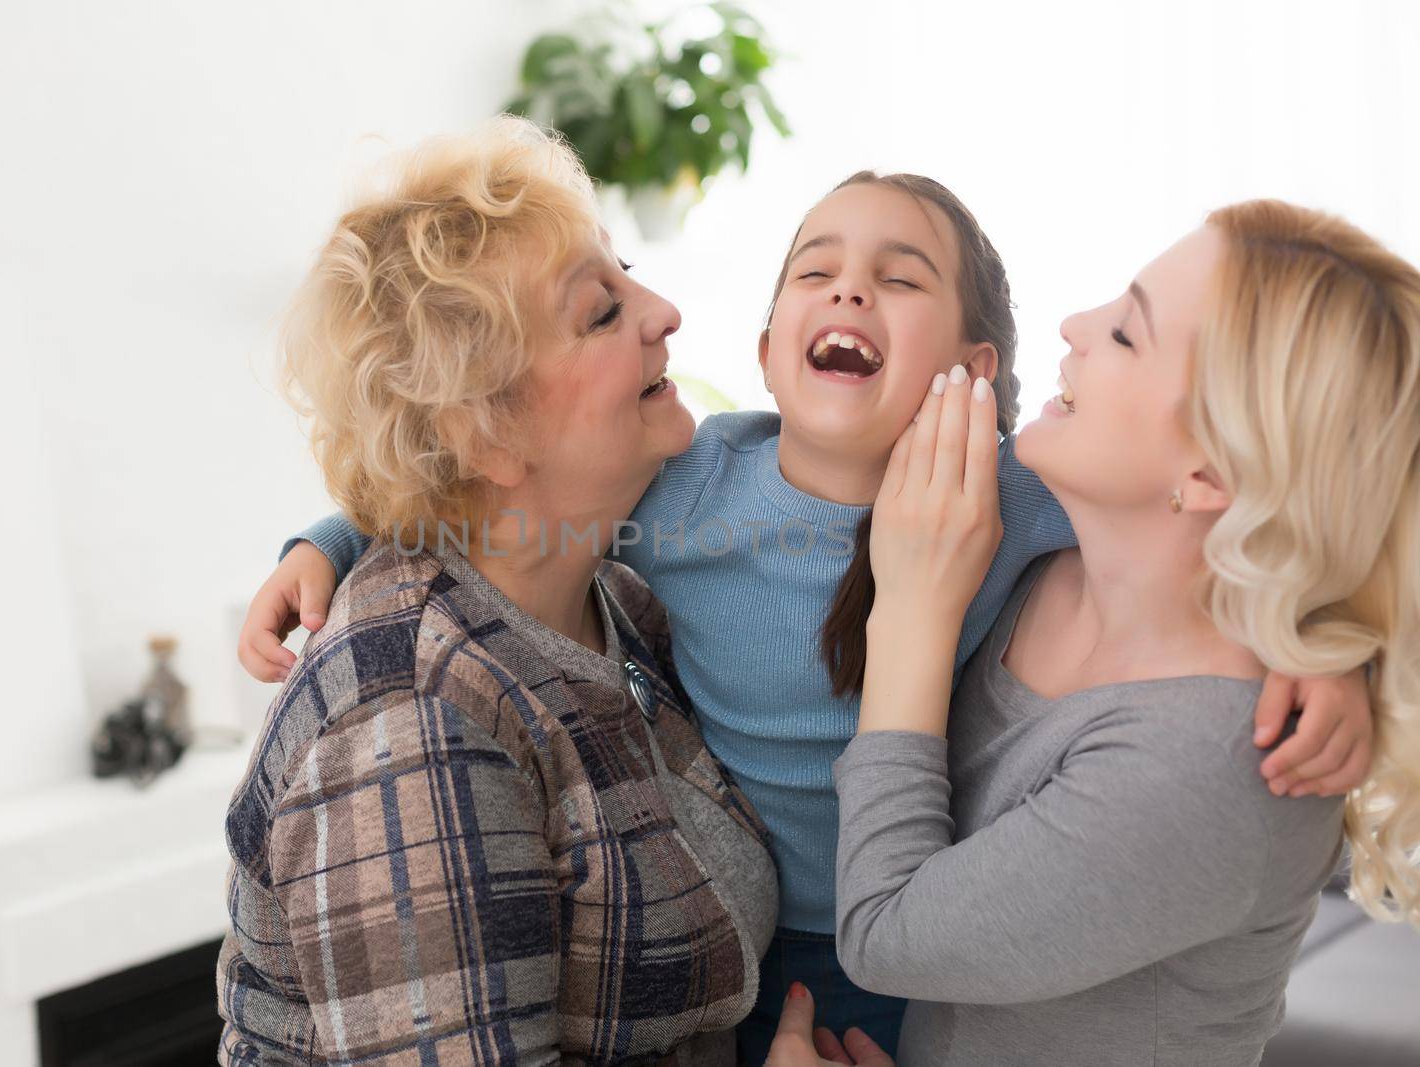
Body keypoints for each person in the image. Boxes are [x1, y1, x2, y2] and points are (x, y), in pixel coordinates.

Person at [237, 175, 1375, 1062]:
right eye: (814, 271)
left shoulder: (1014, 493)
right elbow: (462, 479)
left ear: (975, 374)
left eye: (898, 277)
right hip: (758, 940)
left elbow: (1251, 535)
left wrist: (1316, 648)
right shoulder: (680, 492)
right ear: (770, 350)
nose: (847, 292)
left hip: (913, 941)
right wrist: (328, 542)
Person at [216, 116, 779, 1065]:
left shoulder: (616, 596)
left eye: (627, 274)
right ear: (485, 435)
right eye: (601, 312)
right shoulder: (409, 721)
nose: (663, 312)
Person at [829, 201, 1420, 1066]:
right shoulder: (1046, 540)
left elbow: (884, 934)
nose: (1073, 326)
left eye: (1126, 335)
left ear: (1215, 468)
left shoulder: (1215, 759)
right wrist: (1339, 650)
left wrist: (912, 615)